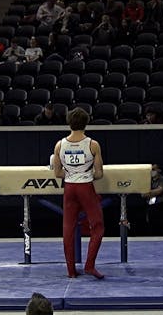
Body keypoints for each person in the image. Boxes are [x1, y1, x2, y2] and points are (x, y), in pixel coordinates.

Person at [52, 107, 105, 279]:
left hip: (69, 188)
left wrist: (71, 174)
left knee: (68, 228)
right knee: (97, 226)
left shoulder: (60, 145)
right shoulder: (92, 144)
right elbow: (99, 174)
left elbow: (57, 173)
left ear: (69, 122)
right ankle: (89, 265)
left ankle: (71, 271)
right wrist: (86, 174)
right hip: (85, 188)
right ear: (86, 123)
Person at [142, 164, 163, 235]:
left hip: (160, 204)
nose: (152, 171)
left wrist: (149, 192)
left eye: (153, 170)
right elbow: (143, 194)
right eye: (151, 170)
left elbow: (159, 190)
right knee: (150, 222)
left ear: (158, 170)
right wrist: (151, 192)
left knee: (161, 222)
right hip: (150, 204)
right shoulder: (148, 180)